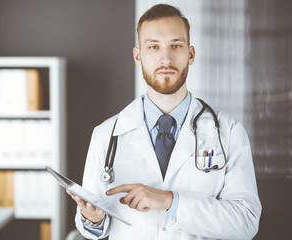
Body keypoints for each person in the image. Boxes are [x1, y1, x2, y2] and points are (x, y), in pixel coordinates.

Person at [68, 4, 261, 240]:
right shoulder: (106, 135)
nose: (165, 58)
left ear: (190, 54)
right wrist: (92, 219)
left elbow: (246, 222)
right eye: (154, 47)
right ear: (138, 56)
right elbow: (93, 225)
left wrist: (171, 200)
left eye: (176, 46)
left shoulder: (229, 132)